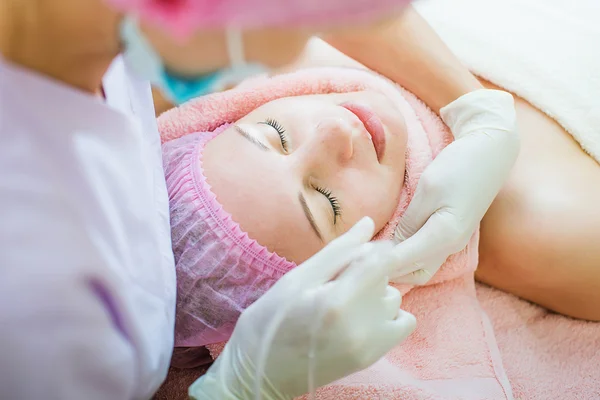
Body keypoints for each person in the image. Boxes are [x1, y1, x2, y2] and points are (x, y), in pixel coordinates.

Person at [0, 1, 422, 399]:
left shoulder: (91, 37)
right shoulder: (38, 306)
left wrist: (472, 106)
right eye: (325, 202)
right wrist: (238, 388)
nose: (285, 57)